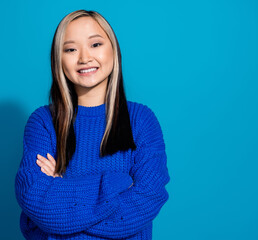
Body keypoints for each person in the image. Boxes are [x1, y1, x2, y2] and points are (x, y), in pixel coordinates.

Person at [14, 9, 170, 239]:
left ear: (113, 51)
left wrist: (63, 192)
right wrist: (116, 183)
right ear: (59, 59)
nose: (84, 58)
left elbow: (148, 198)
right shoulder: (43, 122)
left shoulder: (141, 119)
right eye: (70, 49)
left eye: (95, 44)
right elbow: (34, 198)